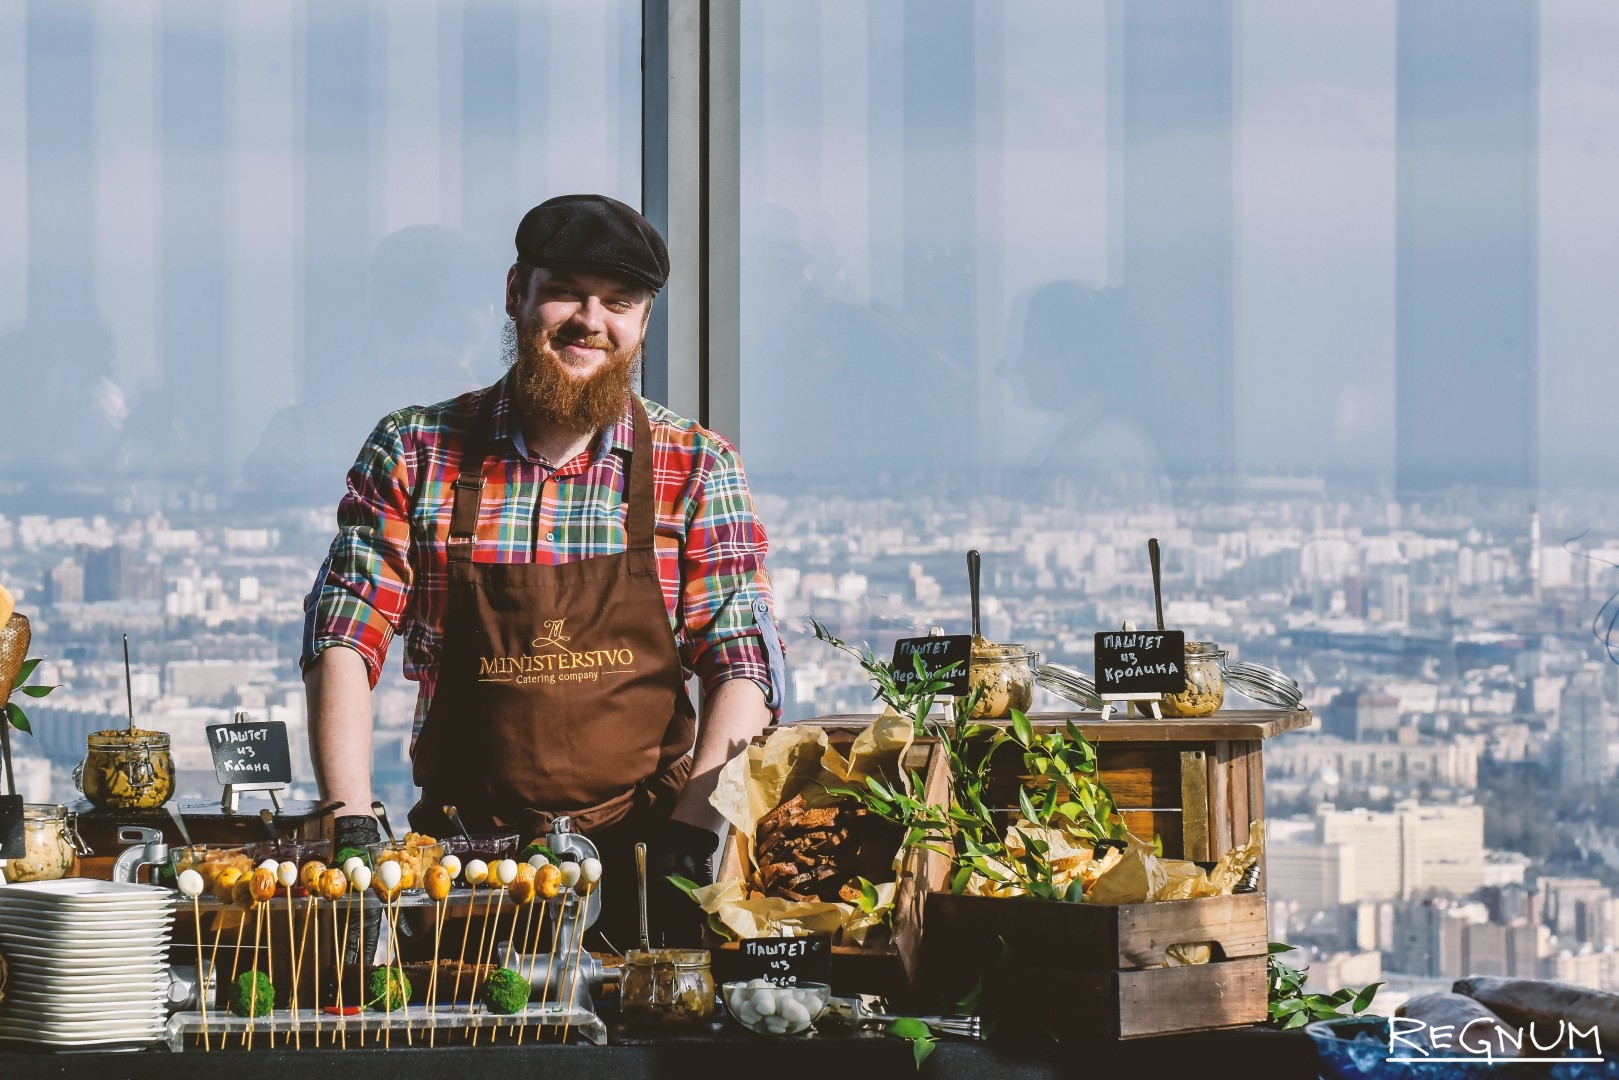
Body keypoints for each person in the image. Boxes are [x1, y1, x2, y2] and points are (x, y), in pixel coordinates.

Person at [300, 195, 784, 948]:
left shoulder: (696, 465)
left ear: (644, 321)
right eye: (565, 291)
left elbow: (742, 663)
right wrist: (350, 820)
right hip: (460, 869)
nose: (591, 319)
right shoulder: (417, 451)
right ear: (514, 292)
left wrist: (694, 835)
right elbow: (344, 635)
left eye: (618, 302)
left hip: (649, 859)